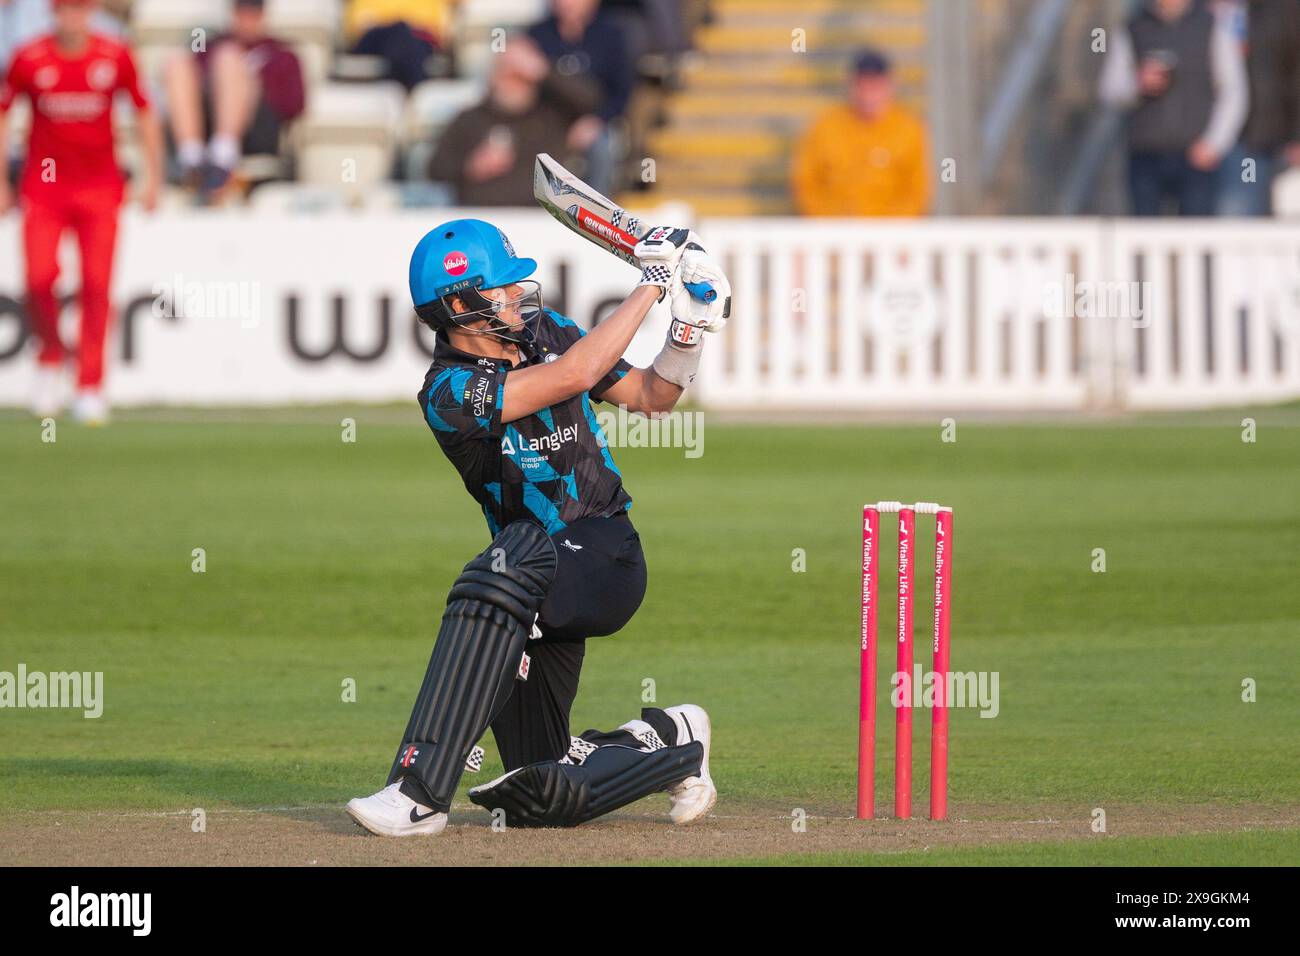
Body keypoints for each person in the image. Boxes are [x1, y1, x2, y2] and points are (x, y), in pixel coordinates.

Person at [345, 217, 730, 835]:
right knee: (541, 792)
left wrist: (690, 328)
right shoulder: (447, 391)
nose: (521, 293)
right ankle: (671, 741)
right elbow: (573, 375)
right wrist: (651, 287)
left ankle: (418, 791)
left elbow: (653, 398)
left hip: (603, 555)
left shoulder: (547, 332)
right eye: (502, 288)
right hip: (531, 585)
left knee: (505, 558)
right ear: (461, 306)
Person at [0, 0, 162, 424]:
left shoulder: (114, 54)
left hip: (100, 189)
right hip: (45, 187)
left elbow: (145, 113)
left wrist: (153, 178)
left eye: (79, 8)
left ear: (90, 12)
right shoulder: (29, 57)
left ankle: (90, 384)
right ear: (53, 13)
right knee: (38, 279)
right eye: (64, 9)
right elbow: (3, 115)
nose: (71, 17)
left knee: (96, 285)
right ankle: (50, 357)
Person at [1099, 0, 1248, 216]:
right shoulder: (1132, 27)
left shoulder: (1213, 26)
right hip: (1145, 156)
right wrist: (1137, 83)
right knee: (1143, 241)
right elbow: (1109, 91)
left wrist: (1214, 143)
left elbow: (1233, 90)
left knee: (1197, 240)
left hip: (1196, 157)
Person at [161, 0, 304, 203]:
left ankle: (223, 157)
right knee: (178, 63)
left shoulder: (282, 54)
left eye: (253, 14)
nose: (246, 20)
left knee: (229, 59)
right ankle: (191, 158)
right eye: (241, 13)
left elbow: (294, 106)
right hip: (208, 127)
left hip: (258, 129)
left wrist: (251, 83)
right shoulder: (211, 46)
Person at [428, 36, 599, 205]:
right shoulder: (470, 119)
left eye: (521, 76)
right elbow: (435, 169)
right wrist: (470, 167)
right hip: (479, 219)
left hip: (539, 221)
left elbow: (592, 101)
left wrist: (543, 70)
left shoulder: (552, 117)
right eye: (506, 72)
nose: (513, 83)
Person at [791, 49, 932, 217]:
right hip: (836, 235)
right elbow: (806, 182)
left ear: (890, 86)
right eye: (863, 86)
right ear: (851, 86)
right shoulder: (825, 127)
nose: (869, 95)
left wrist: (888, 230)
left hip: (891, 237)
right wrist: (828, 224)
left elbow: (917, 190)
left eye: (875, 86)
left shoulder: (909, 130)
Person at [527, 0, 634, 195]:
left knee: (601, 147)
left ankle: (598, 209)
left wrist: (598, 120)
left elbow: (622, 90)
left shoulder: (610, 35)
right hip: (547, 119)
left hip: (595, 119)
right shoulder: (537, 34)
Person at [1214, 0, 1300, 216]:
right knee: (1244, 211)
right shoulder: (1210, 13)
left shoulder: (1284, 10)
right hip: (1242, 143)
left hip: (1272, 138)